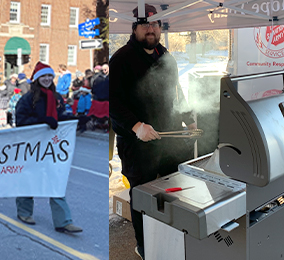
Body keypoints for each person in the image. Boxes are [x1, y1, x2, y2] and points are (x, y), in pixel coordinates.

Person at [110, 4, 195, 259]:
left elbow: (177, 94)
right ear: (134, 27)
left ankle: (172, 238)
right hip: (136, 145)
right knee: (143, 196)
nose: (151, 28)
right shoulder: (121, 59)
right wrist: (137, 126)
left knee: (174, 190)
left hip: (169, 140)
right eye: (145, 24)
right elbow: (111, 102)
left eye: (155, 24)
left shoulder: (167, 57)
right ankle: (145, 245)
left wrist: (189, 120)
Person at [14, 62, 82, 234]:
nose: (46, 79)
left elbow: (59, 118)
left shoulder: (57, 97)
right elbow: (20, 122)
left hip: (53, 147)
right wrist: (43, 121)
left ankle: (64, 221)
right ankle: (24, 212)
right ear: (37, 79)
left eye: (49, 76)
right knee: (29, 180)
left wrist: (75, 119)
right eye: (43, 76)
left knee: (56, 181)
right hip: (32, 147)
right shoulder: (27, 99)